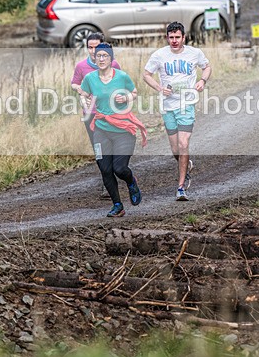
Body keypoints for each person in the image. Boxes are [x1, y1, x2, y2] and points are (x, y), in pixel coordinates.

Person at [143, 22, 211, 201]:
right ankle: (186, 164)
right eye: (171, 37)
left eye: (177, 37)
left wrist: (202, 81)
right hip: (168, 106)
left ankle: (181, 187)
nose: (174, 41)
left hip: (187, 104)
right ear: (167, 38)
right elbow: (146, 74)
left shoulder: (194, 53)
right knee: (175, 149)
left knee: (183, 144)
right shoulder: (159, 55)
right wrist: (159, 88)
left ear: (184, 37)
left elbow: (207, 67)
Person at [77, 43, 147, 217]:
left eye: (105, 56)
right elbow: (83, 94)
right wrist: (83, 102)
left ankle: (131, 181)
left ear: (111, 58)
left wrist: (126, 97)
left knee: (119, 169)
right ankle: (117, 205)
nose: (101, 59)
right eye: (98, 56)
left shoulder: (122, 77)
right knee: (105, 169)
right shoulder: (90, 78)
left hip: (123, 129)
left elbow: (135, 92)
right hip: (101, 129)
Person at [71, 33, 122, 199]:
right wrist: (80, 90)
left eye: (97, 47)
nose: (93, 51)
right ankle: (107, 184)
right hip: (90, 115)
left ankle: (117, 175)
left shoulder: (113, 64)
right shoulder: (81, 66)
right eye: (90, 47)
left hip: (109, 114)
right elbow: (74, 83)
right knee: (99, 151)